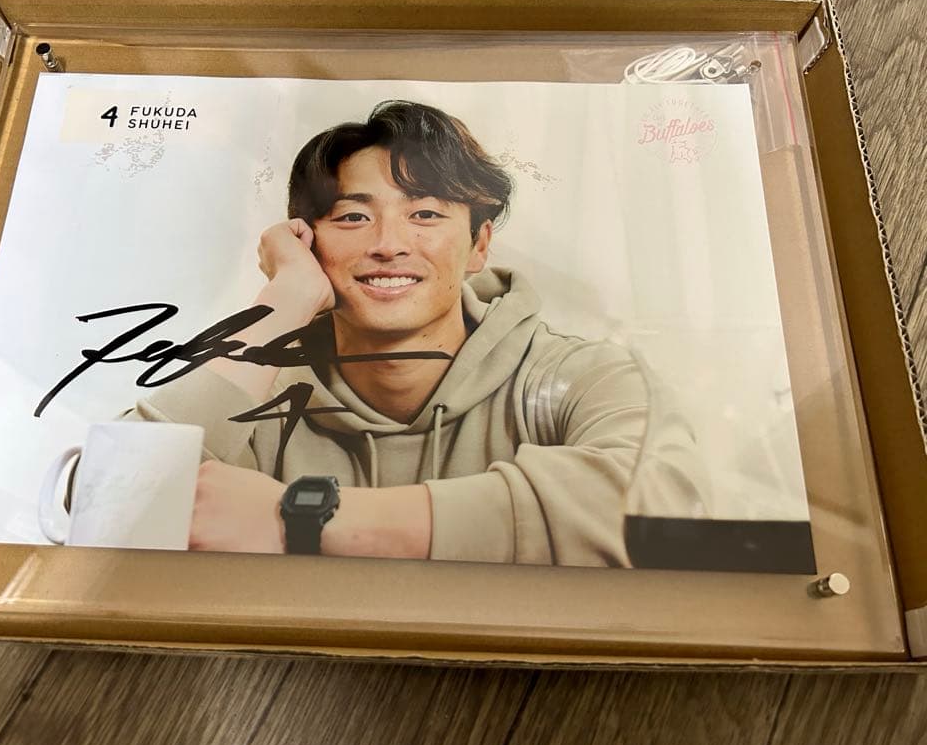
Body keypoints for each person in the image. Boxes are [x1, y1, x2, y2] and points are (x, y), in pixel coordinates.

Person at [122, 100, 708, 565]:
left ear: (479, 246)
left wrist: (295, 518)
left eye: (425, 213)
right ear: (307, 241)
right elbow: (110, 499)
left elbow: (663, 514)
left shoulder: (581, 378)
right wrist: (285, 300)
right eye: (353, 216)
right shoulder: (257, 395)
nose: (388, 244)